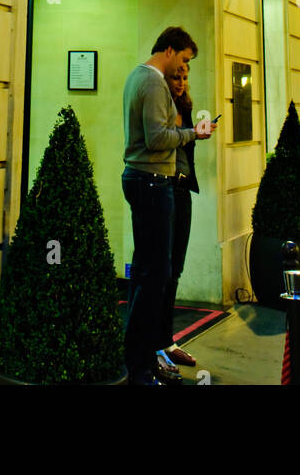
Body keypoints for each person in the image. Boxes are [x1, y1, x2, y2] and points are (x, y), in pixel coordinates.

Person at [122, 27, 217, 386]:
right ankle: (140, 365)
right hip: (151, 181)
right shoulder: (152, 82)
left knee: (152, 273)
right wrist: (195, 133)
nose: (184, 69)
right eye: (185, 59)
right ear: (170, 50)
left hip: (149, 181)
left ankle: (143, 358)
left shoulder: (140, 78)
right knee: (154, 276)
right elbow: (157, 138)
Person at [155, 61, 200, 380]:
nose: (182, 82)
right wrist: (190, 133)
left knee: (176, 269)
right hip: (162, 188)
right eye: (176, 77)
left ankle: (166, 341)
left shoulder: (185, 105)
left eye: (185, 77)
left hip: (182, 189)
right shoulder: (158, 105)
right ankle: (152, 348)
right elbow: (159, 140)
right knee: (160, 269)